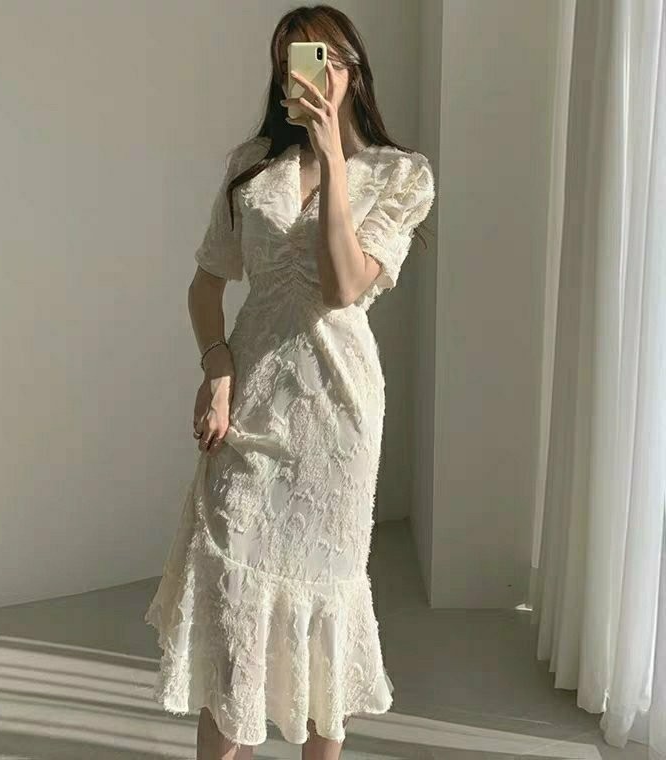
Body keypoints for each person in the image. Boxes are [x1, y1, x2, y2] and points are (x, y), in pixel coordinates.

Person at [144, 5, 436, 759]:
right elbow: (205, 285)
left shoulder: (400, 176)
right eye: (296, 59)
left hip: (337, 416)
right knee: (231, 615)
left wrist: (334, 156)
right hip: (248, 406)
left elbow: (343, 285)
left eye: (328, 57)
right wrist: (216, 364)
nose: (313, 73)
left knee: (323, 618)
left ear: (355, 71)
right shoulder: (252, 167)